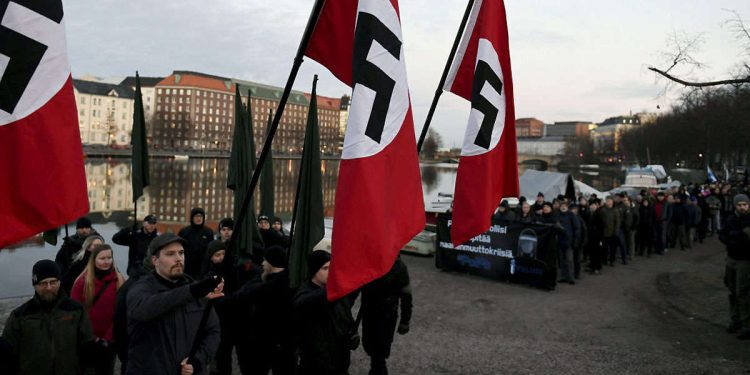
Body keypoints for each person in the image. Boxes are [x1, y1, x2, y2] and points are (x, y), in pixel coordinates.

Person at [126, 233, 223, 375]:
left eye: (181, 253)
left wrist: (197, 360)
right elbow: (144, 309)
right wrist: (191, 292)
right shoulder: (140, 288)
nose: (178, 258)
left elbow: (213, 331)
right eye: (170, 254)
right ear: (155, 260)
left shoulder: (197, 289)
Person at [2, 260, 95, 374]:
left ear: (59, 282)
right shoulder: (20, 316)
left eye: (53, 282)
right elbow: (6, 354)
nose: (49, 287)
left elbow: (88, 348)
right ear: (35, 285)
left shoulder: (76, 310)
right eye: (43, 283)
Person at [224, 245, 295, 374]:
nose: (262, 263)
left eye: (265, 260)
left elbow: (239, 298)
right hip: (279, 344)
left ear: (272, 262)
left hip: (263, 343)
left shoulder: (266, 288)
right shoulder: (284, 281)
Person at [294, 250, 356, 375]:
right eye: (325, 268)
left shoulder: (336, 291)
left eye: (332, 267)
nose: (330, 271)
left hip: (340, 362)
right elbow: (311, 302)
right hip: (316, 365)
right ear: (314, 270)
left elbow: (345, 316)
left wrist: (351, 334)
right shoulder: (306, 294)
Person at [71, 244, 126, 375]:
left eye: (109, 257)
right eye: (102, 258)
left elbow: (121, 312)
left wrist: (108, 338)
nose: (106, 261)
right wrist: (92, 337)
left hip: (109, 342)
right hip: (87, 339)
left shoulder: (119, 280)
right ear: (93, 260)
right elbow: (75, 312)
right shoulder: (81, 282)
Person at [360, 256, 412, 375]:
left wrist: (405, 321)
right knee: (370, 347)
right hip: (369, 312)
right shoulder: (369, 262)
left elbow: (406, 296)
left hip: (386, 316)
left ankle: (377, 369)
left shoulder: (398, 266)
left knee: (379, 354)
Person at [719, 194, 750, 340]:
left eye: (745, 204)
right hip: (731, 258)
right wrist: (735, 236)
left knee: (742, 292)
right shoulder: (731, 219)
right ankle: (735, 319)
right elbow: (723, 235)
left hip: (745, 260)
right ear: (735, 206)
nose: (742, 207)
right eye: (739, 205)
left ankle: (747, 324)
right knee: (732, 290)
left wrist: (734, 236)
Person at [179, 207, 215, 278]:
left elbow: (211, 251)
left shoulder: (208, 232)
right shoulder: (184, 232)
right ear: (192, 217)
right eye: (196, 216)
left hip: (203, 269)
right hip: (187, 269)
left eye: (201, 216)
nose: (199, 218)